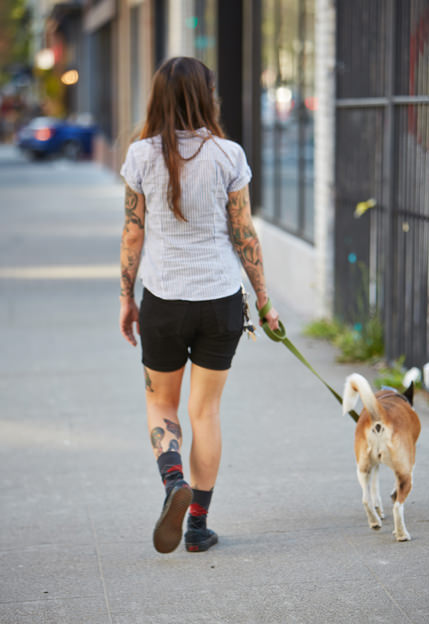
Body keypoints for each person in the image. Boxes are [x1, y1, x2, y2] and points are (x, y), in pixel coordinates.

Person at [119, 56, 279, 554]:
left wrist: (127, 297)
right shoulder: (228, 155)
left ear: (158, 97)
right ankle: (197, 526)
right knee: (205, 412)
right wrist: (265, 302)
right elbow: (244, 232)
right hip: (220, 302)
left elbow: (132, 233)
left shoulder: (141, 156)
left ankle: (173, 481)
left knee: (160, 402)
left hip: (164, 301)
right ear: (206, 97)